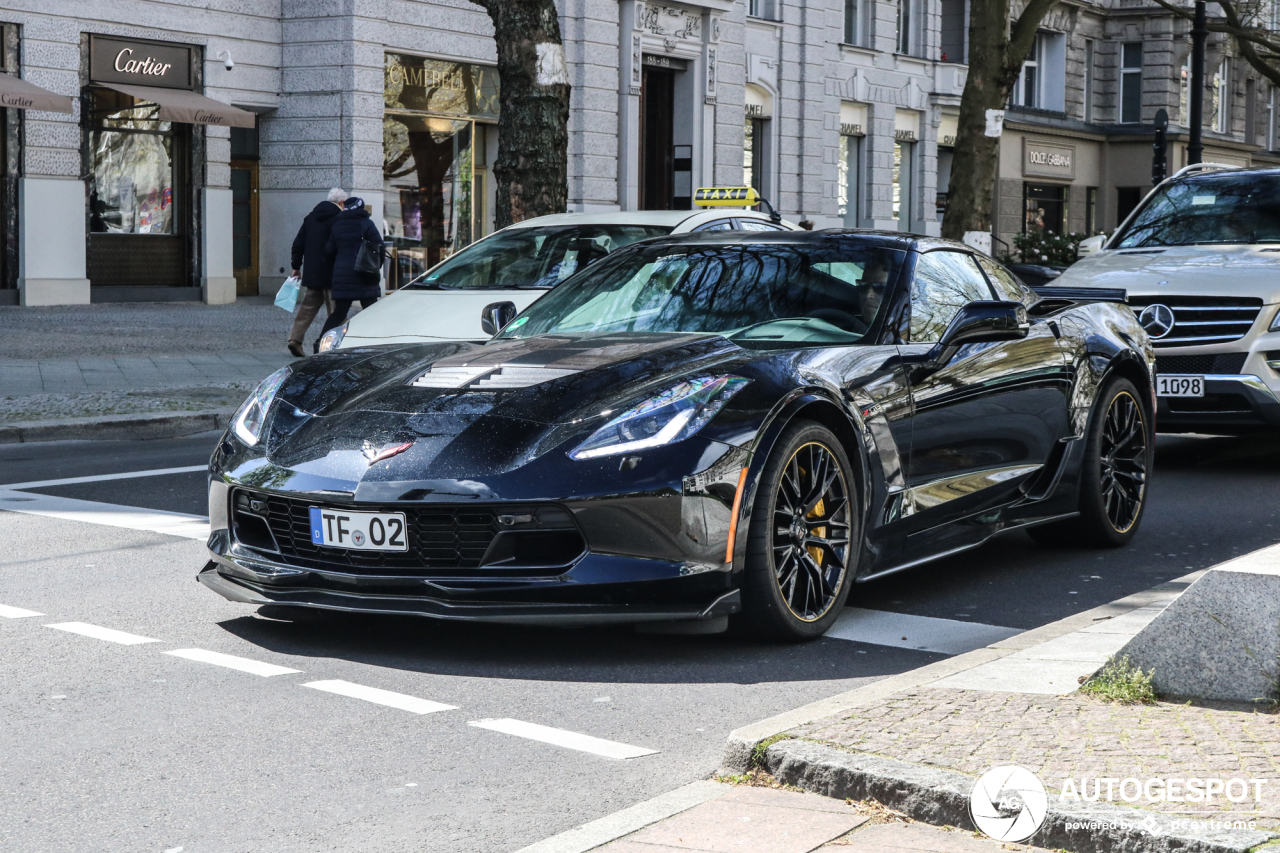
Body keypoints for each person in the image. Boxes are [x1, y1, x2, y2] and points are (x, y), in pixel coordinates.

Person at [287, 187, 346, 356]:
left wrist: (296, 266)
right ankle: (335, 344)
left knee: (307, 308)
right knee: (335, 311)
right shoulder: (339, 218)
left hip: (312, 272)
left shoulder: (311, 217)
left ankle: (295, 339)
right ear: (341, 202)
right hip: (332, 272)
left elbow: (298, 243)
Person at [320, 196, 385, 342]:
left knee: (339, 313)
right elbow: (380, 248)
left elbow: (329, 251)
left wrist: (338, 267)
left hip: (343, 276)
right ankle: (376, 341)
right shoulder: (366, 224)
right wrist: (375, 268)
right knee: (371, 311)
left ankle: (320, 342)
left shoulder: (337, 225)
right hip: (365, 274)